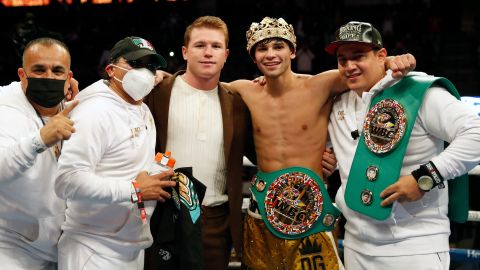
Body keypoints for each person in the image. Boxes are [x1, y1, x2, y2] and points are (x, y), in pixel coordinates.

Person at [222, 17, 415, 270]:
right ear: (253, 56)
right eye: (262, 49)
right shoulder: (243, 89)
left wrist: (392, 61)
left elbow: (363, 70)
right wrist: (159, 77)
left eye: (278, 47)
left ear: (292, 51)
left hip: (310, 209)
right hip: (263, 208)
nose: (270, 55)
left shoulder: (320, 85)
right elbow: (197, 86)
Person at [326, 21, 480, 269]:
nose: (349, 65)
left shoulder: (419, 92)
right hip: (355, 245)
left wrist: (426, 176)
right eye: (342, 59)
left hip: (415, 247)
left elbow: (476, 134)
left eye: (358, 56)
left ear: (382, 56)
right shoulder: (338, 104)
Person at [55, 36, 176, 270]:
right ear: (111, 70)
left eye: (151, 67)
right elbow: (67, 182)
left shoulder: (142, 108)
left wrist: (157, 171)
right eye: (135, 64)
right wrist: (135, 190)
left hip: (130, 246)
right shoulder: (94, 112)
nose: (145, 72)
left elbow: (127, 167)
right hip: (92, 250)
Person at [144, 16, 256, 270]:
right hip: (163, 213)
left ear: (226, 54)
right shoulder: (156, 91)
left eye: (216, 46)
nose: (208, 53)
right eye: (200, 45)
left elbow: (264, 150)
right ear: (185, 51)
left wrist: (317, 160)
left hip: (216, 219)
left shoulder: (238, 103)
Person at [0, 37, 77, 270]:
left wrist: (159, 80)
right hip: (11, 246)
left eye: (57, 71)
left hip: (60, 246)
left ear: (68, 78)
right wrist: (40, 140)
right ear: (22, 75)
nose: (48, 77)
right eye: (39, 70)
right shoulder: (5, 110)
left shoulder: (75, 106)